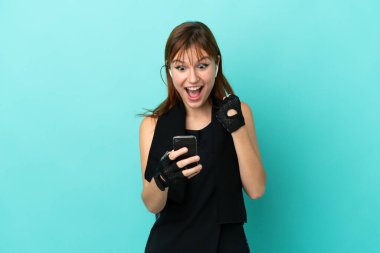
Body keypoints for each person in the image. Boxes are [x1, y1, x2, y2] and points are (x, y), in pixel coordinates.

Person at [139, 21, 266, 253]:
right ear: (169, 70)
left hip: (227, 244)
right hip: (171, 244)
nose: (193, 79)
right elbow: (151, 203)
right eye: (181, 68)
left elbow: (256, 189)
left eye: (202, 65)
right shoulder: (153, 125)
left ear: (216, 64)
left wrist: (236, 129)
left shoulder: (240, 113)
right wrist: (162, 178)